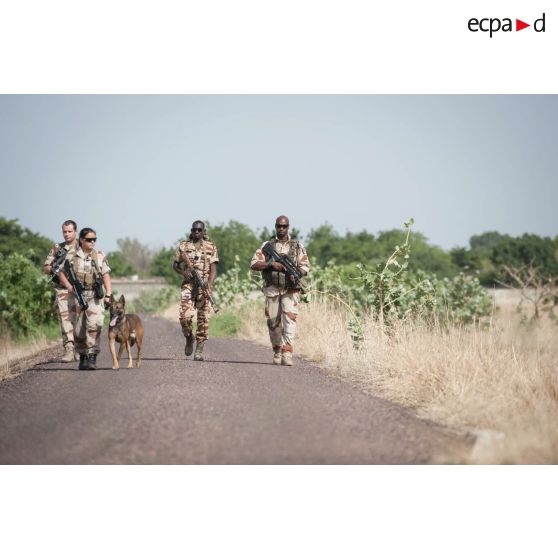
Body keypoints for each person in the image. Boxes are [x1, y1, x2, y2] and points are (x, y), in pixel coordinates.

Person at [250, 215, 310, 366]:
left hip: (290, 290)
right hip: (272, 288)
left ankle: (287, 352)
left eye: (284, 226)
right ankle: (277, 350)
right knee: (273, 321)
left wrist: (296, 275)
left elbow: (305, 267)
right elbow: (254, 264)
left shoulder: (297, 246)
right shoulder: (267, 245)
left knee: (290, 321)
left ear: (288, 227)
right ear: (275, 227)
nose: (281, 229)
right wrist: (271, 264)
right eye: (279, 226)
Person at [58, 227, 112, 370]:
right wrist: (68, 285)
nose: (92, 242)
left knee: (96, 325)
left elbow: (106, 274)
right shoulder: (71, 256)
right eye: (89, 239)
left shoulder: (99, 256)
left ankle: (92, 355)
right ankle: (82, 356)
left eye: (94, 239)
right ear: (81, 240)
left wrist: (108, 294)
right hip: (76, 297)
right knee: (78, 329)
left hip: (94, 296)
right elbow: (60, 272)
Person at [173, 220, 219, 362]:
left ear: (203, 231)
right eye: (194, 230)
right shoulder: (183, 246)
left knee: (203, 320)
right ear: (191, 230)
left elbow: (213, 269)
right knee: (184, 317)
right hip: (189, 285)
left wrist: (209, 285)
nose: (197, 232)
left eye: (199, 230)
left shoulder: (211, 247)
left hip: (204, 285)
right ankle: (189, 337)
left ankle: (199, 350)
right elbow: (175, 265)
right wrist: (183, 272)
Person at [43, 219, 79, 362]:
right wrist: (55, 266)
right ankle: (69, 350)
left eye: (70, 231)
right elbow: (46, 268)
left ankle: (79, 349)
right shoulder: (58, 248)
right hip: (62, 289)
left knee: (79, 320)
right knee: (65, 320)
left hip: (78, 289)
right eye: (64, 231)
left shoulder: (82, 247)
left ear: (75, 231)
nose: (67, 234)